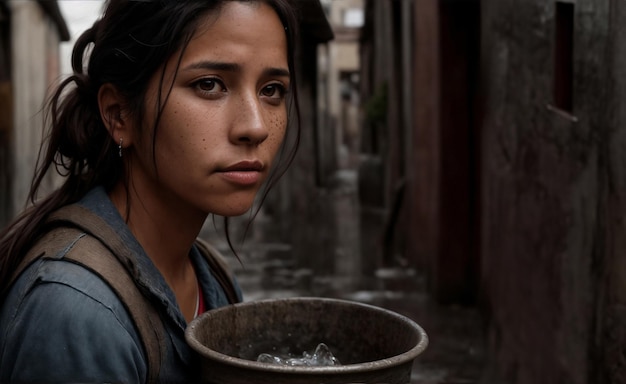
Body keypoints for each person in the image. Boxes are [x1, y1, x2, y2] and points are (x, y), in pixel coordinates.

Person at [0, 0, 301, 382]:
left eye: (272, 90)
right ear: (119, 114)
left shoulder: (212, 278)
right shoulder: (78, 313)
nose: (256, 127)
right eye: (209, 84)